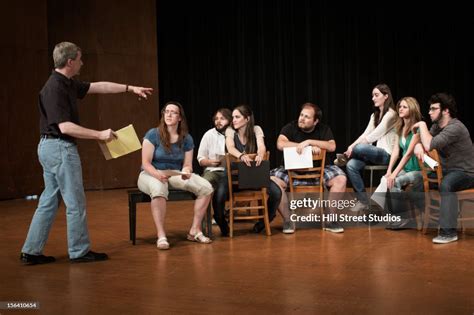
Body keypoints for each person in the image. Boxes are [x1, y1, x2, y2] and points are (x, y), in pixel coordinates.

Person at [20, 42, 153, 265]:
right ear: (70, 62)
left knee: (49, 201)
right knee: (75, 202)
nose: (83, 62)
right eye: (80, 59)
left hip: (50, 148)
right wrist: (100, 134)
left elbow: (99, 86)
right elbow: (65, 127)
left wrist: (130, 88)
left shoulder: (67, 83)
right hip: (60, 147)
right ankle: (79, 251)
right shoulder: (55, 89)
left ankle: (31, 251)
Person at [138, 101, 213, 249]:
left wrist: (186, 171)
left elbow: (187, 164)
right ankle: (161, 235)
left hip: (173, 174)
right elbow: (146, 163)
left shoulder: (186, 138)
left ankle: (194, 230)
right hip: (150, 173)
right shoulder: (153, 134)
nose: (169, 114)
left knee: (206, 187)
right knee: (159, 190)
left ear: (180, 118)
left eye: (173, 112)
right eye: (167, 112)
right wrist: (158, 175)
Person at [270, 102, 347, 233]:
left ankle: (330, 220)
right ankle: (288, 220)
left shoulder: (323, 129)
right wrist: (306, 148)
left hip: (319, 172)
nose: (302, 118)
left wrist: (309, 142)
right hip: (292, 172)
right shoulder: (290, 127)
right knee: (272, 180)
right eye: (301, 115)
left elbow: (332, 146)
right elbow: (280, 143)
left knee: (341, 179)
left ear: (315, 121)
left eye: (307, 117)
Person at [412, 93, 474, 244]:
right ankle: (436, 219)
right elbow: (423, 142)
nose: (429, 112)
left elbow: (429, 144)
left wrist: (421, 125)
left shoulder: (455, 127)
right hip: (447, 171)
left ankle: (449, 232)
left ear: (446, 111)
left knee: (447, 184)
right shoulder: (436, 127)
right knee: (418, 183)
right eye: (430, 108)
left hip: (465, 173)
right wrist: (419, 145)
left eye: (434, 109)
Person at [213, 105, 283, 235]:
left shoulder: (256, 129)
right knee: (219, 194)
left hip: (253, 175)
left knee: (276, 192)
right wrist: (241, 155)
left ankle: (264, 222)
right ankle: (222, 224)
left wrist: (260, 154)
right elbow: (230, 147)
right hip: (233, 175)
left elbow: (261, 146)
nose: (233, 119)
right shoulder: (230, 131)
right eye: (233, 117)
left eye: (237, 117)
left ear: (247, 119)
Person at [343, 83, 397, 211]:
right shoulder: (375, 115)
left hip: (386, 155)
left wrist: (354, 148)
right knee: (351, 165)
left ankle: (350, 154)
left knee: (360, 148)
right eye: (372, 95)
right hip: (374, 154)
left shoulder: (391, 115)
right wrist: (350, 146)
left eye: (376, 95)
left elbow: (374, 135)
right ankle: (363, 201)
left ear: (386, 96)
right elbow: (366, 133)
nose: (373, 98)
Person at [383, 97, 424, 230]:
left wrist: (394, 174)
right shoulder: (399, 127)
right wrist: (389, 171)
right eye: (400, 106)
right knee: (385, 180)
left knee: (394, 181)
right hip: (407, 168)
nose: (400, 108)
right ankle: (394, 217)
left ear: (412, 109)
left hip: (420, 170)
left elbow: (407, 154)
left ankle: (404, 219)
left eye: (404, 107)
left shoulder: (418, 128)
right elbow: (396, 151)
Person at [197, 108, 232, 235]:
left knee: (221, 190)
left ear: (229, 120)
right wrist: (211, 162)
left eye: (222, 118)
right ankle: (201, 224)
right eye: (216, 119)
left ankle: (219, 217)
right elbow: (200, 159)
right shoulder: (209, 135)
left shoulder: (234, 134)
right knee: (204, 184)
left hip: (231, 172)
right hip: (213, 170)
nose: (218, 121)